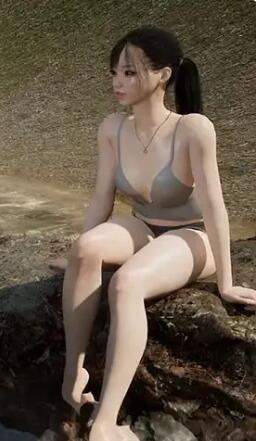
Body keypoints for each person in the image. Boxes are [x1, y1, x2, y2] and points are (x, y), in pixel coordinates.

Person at [60, 25, 256, 441]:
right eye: (115, 72)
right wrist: (77, 257)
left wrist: (226, 282)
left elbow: (216, 207)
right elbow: (102, 197)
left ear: (163, 75)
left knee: (126, 284)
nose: (118, 82)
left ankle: (106, 421)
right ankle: (73, 376)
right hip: (142, 225)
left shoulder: (193, 128)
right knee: (86, 248)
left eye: (130, 72)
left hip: (192, 236)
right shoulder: (112, 128)